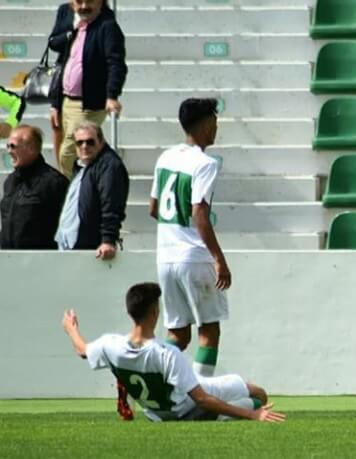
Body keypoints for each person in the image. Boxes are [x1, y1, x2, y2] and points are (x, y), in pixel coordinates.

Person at [61, 282, 286, 423]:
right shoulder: (166, 353)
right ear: (155, 312)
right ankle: (224, 418)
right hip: (188, 408)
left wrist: (71, 328)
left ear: (130, 312)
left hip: (157, 416)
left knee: (224, 399)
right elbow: (202, 399)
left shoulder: (111, 345)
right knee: (258, 395)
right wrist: (253, 415)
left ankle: (221, 417)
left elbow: (83, 350)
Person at [149, 98, 231, 378]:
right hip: (193, 256)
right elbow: (199, 213)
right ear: (206, 123)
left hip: (166, 257)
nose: (216, 127)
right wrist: (219, 259)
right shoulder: (205, 163)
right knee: (209, 329)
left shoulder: (165, 158)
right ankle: (203, 394)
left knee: (178, 334)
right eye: (215, 122)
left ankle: (150, 379)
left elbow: (153, 208)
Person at [48, 0, 127, 177]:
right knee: (78, 150)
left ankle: (74, 193)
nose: (84, 6)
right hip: (66, 99)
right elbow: (55, 46)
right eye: (79, 1)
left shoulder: (107, 26)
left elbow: (116, 63)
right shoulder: (67, 15)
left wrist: (112, 95)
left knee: (68, 153)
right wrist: (55, 103)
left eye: (89, 1)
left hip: (89, 103)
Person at [54, 121, 129, 259]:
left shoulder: (109, 166)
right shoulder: (83, 166)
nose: (84, 146)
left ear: (101, 141)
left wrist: (108, 240)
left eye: (90, 142)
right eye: (79, 143)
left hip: (90, 248)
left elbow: (111, 204)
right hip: (70, 246)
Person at [0, 125, 68, 249]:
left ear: (31, 148)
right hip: (8, 260)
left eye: (13, 146)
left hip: (39, 261)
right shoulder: (10, 181)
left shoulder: (54, 182)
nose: (9, 151)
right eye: (7, 146)